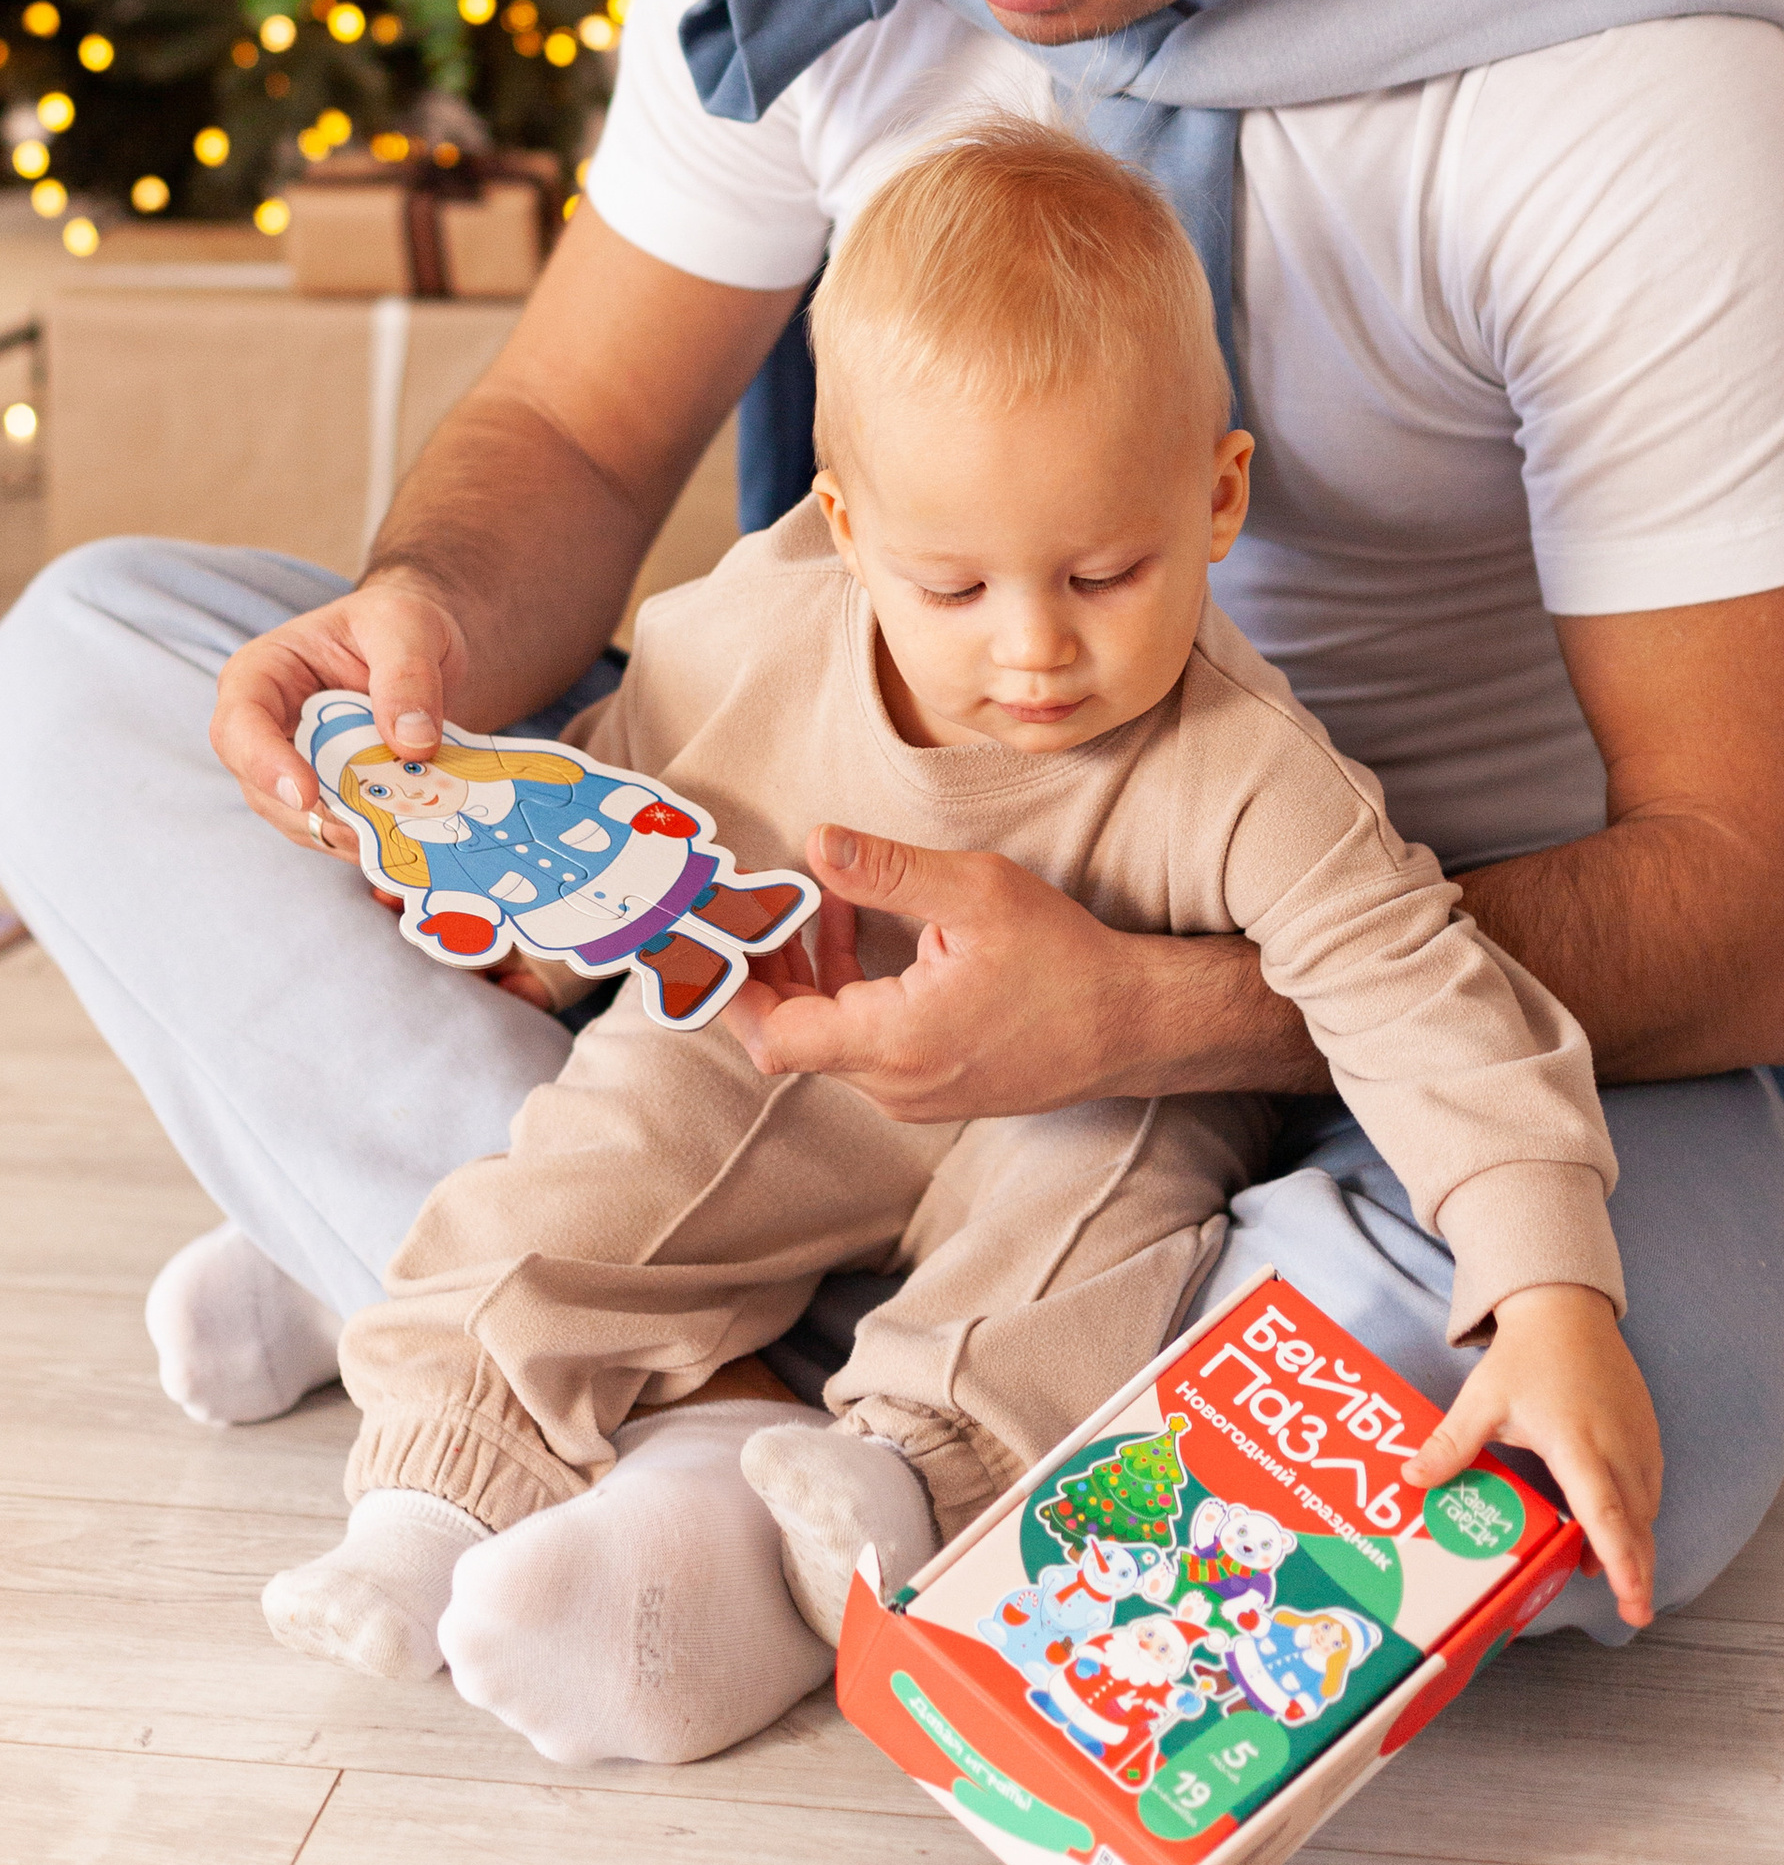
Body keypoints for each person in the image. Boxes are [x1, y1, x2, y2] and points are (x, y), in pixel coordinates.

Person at [0, 0, 1784, 1762]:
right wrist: (422, 638)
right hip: (804, 926)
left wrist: (1147, 1007)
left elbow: (1752, 916)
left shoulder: (1616, 82)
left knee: (1648, 1426)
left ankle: (591, 1352)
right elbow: (568, 439)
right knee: (83, 677)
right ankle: (799, 1442)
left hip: (1385, 980)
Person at [256, 126, 1660, 1769]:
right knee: (579, 1170)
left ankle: (900, 1481)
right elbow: (624, 793)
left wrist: (1550, 1291)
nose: (1037, 646)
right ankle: (426, 1506)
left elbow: (1427, 1004)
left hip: (1074, 1112)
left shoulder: (1252, 770)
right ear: (845, 530)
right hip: (766, 1045)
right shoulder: (750, 631)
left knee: (1105, 1236)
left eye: (1105, 572)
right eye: (952, 582)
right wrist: (549, 953)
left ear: (1216, 498)